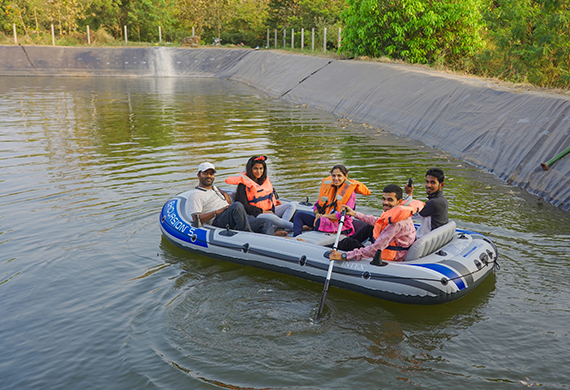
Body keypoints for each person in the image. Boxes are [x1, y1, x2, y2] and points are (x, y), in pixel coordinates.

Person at [330, 184, 419, 262]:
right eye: (384, 199)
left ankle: (331, 249)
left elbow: (375, 249)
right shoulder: (400, 212)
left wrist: (344, 256)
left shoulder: (396, 223)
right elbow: (378, 221)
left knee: (349, 242)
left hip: (392, 255)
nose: (385, 203)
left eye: (390, 200)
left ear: (399, 202)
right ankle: (339, 245)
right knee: (370, 227)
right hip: (396, 246)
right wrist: (354, 213)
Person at [186, 162, 274, 235]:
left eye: (211, 173)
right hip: (218, 220)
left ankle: (272, 243)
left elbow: (225, 197)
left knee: (265, 222)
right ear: (198, 175)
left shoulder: (215, 188)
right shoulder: (196, 195)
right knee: (237, 206)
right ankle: (249, 235)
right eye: (205, 173)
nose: (208, 176)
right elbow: (196, 219)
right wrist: (216, 212)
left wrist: (226, 196)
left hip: (233, 215)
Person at [292, 164, 371, 237]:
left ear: (345, 176)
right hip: (324, 219)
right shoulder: (330, 189)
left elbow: (344, 215)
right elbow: (317, 205)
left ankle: (311, 233)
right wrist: (317, 214)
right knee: (299, 215)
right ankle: (296, 237)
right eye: (333, 175)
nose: (336, 178)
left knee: (320, 221)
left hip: (341, 225)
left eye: (339, 175)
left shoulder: (350, 193)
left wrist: (323, 216)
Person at [225, 155, 296, 235]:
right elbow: (244, 206)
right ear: (250, 169)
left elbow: (268, 195)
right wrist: (263, 211)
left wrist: (275, 202)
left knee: (291, 205)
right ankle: (297, 227)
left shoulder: (264, 180)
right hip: (256, 215)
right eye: (255, 168)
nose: (258, 171)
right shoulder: (243, 185)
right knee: (272, 218)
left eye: (261, 168)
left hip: (270, 210)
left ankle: (278, 229)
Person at [404, 167, 448, 237]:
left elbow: (405, 214)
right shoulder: (442, 200)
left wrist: (409, 194)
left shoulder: (434, 203)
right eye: (427, 181)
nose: (428, 185)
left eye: (433, 182)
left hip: (424, 241)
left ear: (441, 185)